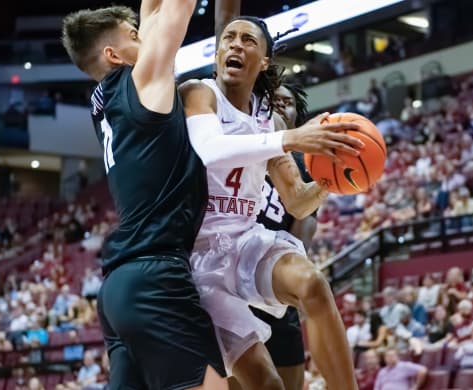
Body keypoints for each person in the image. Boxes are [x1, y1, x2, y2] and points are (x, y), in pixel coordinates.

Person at [181, 15, 364, 390]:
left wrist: (333, 178)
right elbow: (209, 150)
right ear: (217, 53)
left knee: (311, 283)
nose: (234, 44)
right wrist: (294, 139)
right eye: (228, 38)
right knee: (267, 384)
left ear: (263, 61)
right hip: (200, 259)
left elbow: (297, 202)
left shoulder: (269, 120)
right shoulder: (199, 92)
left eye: (247, 40)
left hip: (246, 242)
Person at [61, 2, 227, 388]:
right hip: (155, 280)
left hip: (119, 289)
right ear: (113, 55)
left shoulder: (109, 101)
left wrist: (140, 24)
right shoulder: (142, 80)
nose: (144, 34)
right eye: (133, 35)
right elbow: (178, 8)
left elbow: (152, 13)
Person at [238, 81, 316, 390]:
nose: (281, 106)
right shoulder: (244, 147)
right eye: (274, 101)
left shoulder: (304, 165)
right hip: (236, 280)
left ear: (298, 116)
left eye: (288, 102)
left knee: (289, 379)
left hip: (274, 280)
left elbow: (305, 224)